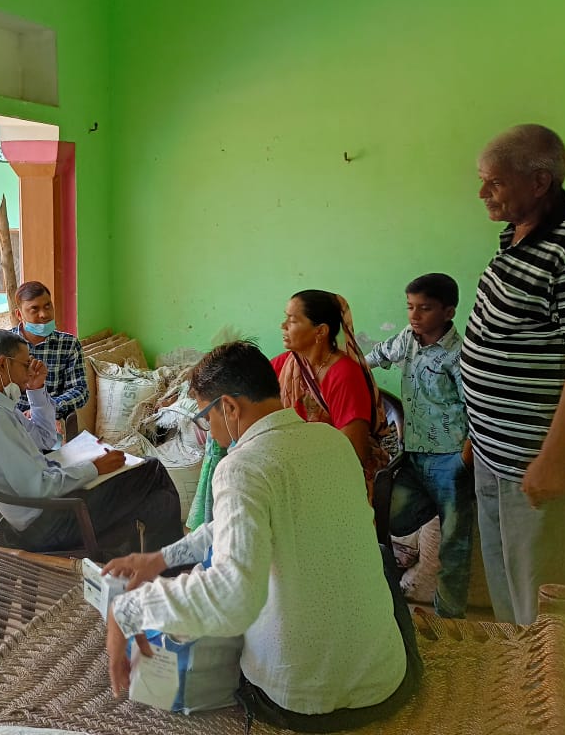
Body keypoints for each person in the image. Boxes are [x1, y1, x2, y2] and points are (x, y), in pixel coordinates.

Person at [104, 342, 421, 732]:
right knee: (374, 560)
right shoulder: (333, 441)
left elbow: (232, 596)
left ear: (229, 408)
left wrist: (129, 609)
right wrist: (161, 558)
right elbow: (237, 523)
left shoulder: (240, 467)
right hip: (387, 683)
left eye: (205, 417)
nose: (209, 431)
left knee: (227, 602)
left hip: (298, 701)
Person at [462, 124, 565, 625]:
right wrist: (478, 431)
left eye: (494, 182)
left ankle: (542, 678)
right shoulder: (518, 233)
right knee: (508, 592)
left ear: (539, 181)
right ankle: (517, 670)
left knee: (542, 605)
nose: (483, 193)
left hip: (539, 464)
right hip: (497, 451)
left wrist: (553, 459)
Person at [0, 329, 183, 553]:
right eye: (25, 365)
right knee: (151, 469)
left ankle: (159, 566)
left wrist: (36, 390)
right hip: (45, 523)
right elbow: (37, 487)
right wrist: (93, 468)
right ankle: (169, 565)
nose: (29, 372)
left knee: (158, 501)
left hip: (47, 508)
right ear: (2, 365)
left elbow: (45, 439)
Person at [366, 273, 474, 618]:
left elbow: (474, 405)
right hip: (413, 454)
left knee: (454, 543)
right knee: (392, 517)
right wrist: (340, 371)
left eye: (424, 308)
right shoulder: (407, 340)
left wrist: (466, 454)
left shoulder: (458, 354)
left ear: (448, 312)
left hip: (449, 459)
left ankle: (450, 618)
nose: (414, 315)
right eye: (410, 306)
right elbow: (373, 358)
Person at [272, 290, 390, 494]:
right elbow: (253, 393)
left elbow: (352, 453)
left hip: (338, 475)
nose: (283, 326)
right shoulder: (288, 363)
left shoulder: (344, 375)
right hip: (300, 466)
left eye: (292, 320)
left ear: (320, 331)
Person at [0, 281, 88, 424]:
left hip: (47, 422)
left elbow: (79, 390)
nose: (43, 314)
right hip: (3, 421)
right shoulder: (1, 345)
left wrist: (44, 409)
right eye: (34, 309)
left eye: (48, 306)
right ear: (19, 314)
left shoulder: (69, 344)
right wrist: (1, 418)